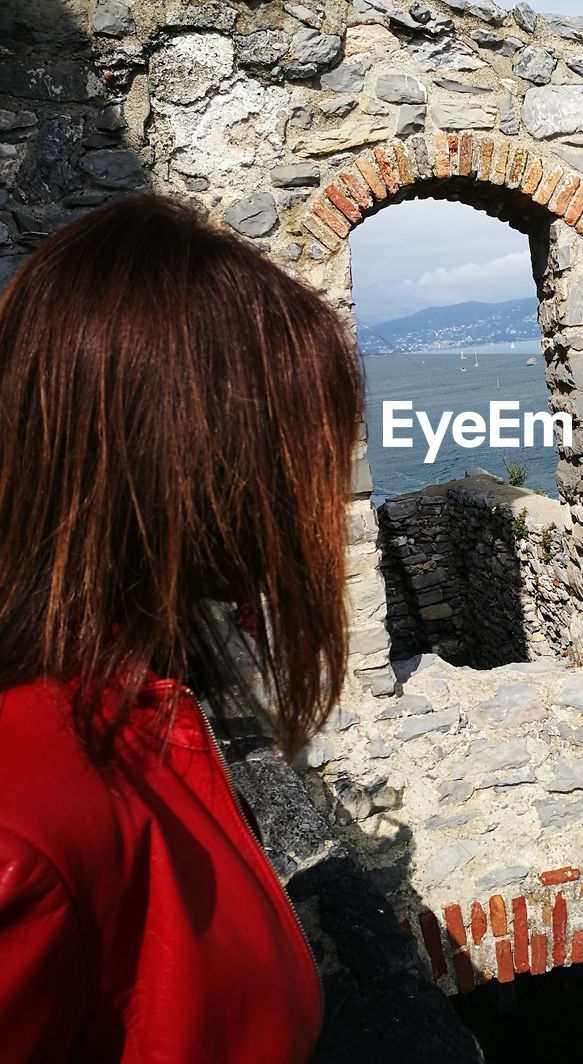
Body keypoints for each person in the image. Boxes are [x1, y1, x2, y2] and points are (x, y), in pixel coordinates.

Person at [0, 195, 363, 1062]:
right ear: (178, 458)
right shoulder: (23, 830)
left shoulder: (132, 710)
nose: (320, 486)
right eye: (286, 443)